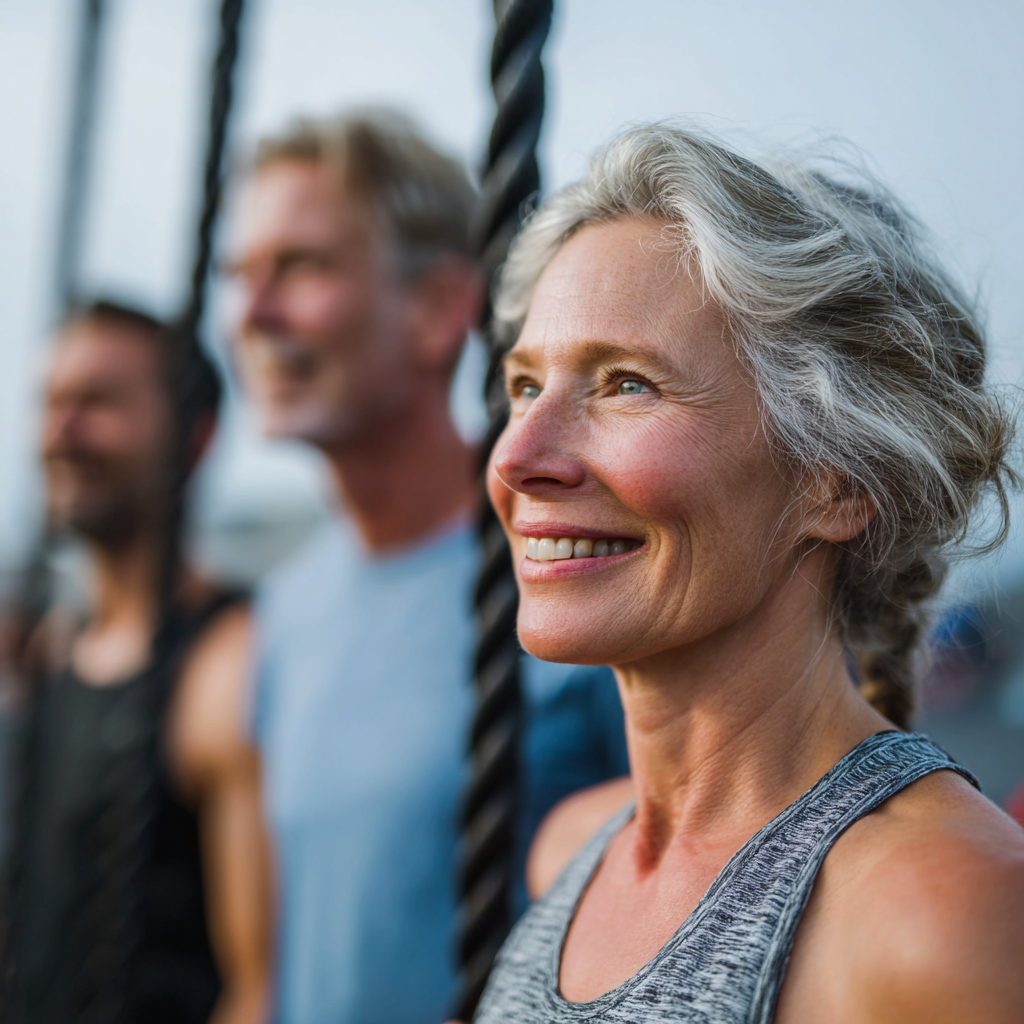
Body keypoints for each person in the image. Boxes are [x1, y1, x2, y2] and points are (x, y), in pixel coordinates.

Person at [469, 124, 1024, 1024]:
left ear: (837, 481)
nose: (520, 455)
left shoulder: (945, 914)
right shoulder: (574, 849)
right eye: (526, 386)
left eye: (626, 384)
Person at [227, 109, 629, 1024]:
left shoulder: (575, 575)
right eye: (240, 276)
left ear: (441, 310)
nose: (251, 314)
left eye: (302, 267)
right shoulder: (286, 610)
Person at [1, 302, 272, 1024]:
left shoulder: (228, 659)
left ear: (197, 433)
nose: (62, 431)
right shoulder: (53, 647)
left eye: (99, 402)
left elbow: (256, 987)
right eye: (52, 402)